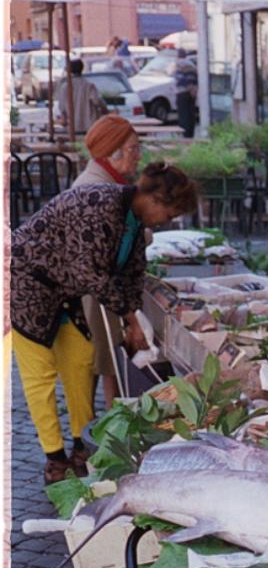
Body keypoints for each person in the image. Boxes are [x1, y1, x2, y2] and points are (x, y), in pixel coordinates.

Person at [10, 162, 198, 485]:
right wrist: (129, 319)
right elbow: (92, 274)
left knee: (82, 357)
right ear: (154, 199)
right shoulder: (102, 205)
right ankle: (55, 461)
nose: (167, 223)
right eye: (168, 216)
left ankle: (84, 445)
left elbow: (133, 273)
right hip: (25, 282)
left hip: (64, 291)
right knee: (39, 374)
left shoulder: (134, 221)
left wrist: (135, 319)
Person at [72, 117, 145, 410]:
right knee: (106, 361)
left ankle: (96, 431)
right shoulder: (96, 189)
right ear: (112, 152)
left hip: (93, 288)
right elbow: (96, 264)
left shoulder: (107, 181)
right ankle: (106, 431)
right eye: (133, 149)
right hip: (89, 292)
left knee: (103, 360)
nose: (138, 156)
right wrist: (131, 319)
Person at [58, 58, 108, 134]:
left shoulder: (65, 87)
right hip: (89, 125)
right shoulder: (89, 86)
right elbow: (97, 101)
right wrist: (104, 109)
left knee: (75, 145)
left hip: (72, 126)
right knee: (87, 145)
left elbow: (61, 107)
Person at [174, 48, 198, 138]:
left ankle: (185, 134)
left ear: (178, 56)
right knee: (191, 114)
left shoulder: (179, 65)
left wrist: (189, 88)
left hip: (182, 92)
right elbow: (194, 78)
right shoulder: (191, 64)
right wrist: (193, 89)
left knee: (183, 115)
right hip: (192, 93)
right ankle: (190, 133)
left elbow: (181, 80)